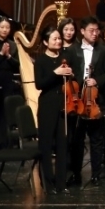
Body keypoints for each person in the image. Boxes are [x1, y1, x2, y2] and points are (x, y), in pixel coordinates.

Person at [63, 16, 104, 186]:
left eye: (97, 30)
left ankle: (96, 174)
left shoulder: (104, 50)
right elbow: (68, 74)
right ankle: (76, 173)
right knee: (77, 141)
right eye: (91, 30)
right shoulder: (72, 50)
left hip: (95, 100)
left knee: (97, 139)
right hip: (78, 101)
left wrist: (97, 81)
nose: (95, 34)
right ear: (82, 31)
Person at [33, 26, 74, 194]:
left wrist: (70, 74)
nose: (58, 41)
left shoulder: (65, 57)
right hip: (47, 104)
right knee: (46, 144)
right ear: (45, 42)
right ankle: (48, 183)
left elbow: (72, 80)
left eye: (59, 38)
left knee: (63, 144)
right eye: (54, 39)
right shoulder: (41, 60)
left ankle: (61, 183)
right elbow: (39, 84)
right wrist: (56, 72)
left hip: (64, 103)